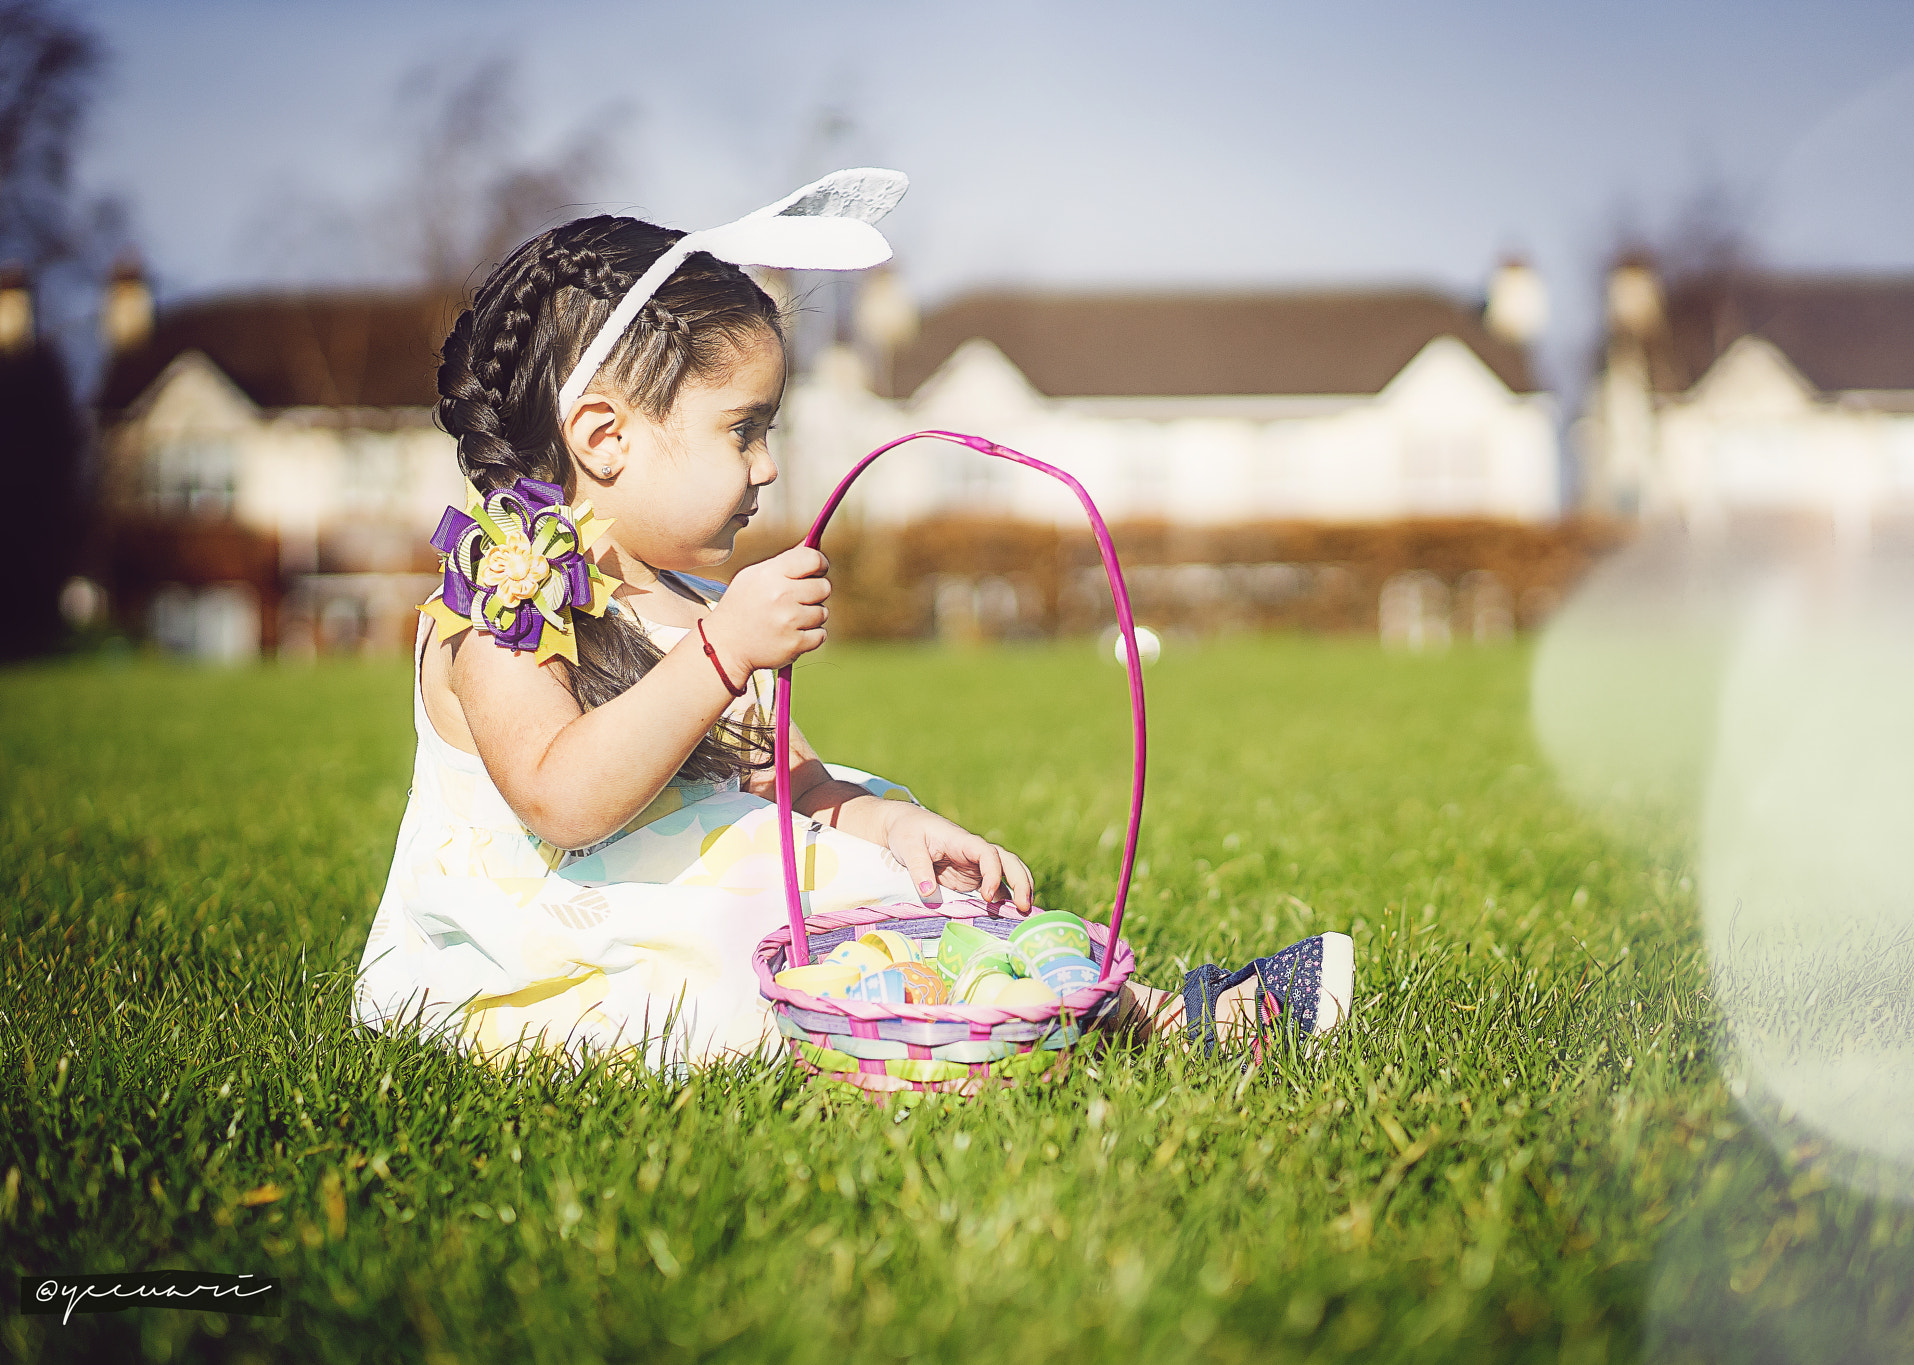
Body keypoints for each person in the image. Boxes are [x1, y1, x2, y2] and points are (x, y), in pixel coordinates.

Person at [351, 171, 1351, 1075]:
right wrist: (721, 650)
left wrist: (896, 826)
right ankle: (1157, 1021)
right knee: (787, 891)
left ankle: (1093, 1008)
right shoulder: (505, 594)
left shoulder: (690, 606)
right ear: (606, 437)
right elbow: (562, 801)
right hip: (559, 968)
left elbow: (788, 781)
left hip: (669, 927)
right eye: (741, 430)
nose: (767, 467)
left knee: (865, 877)